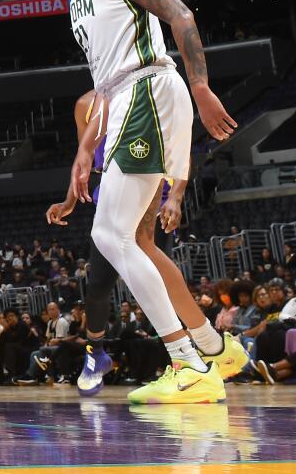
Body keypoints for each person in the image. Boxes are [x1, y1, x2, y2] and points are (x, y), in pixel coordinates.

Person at [57, 0, 245, 405]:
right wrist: (84, 150)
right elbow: (105, 81)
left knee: (112, 236)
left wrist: (202, 87)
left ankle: (188, 364)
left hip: (151, 89)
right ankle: (214, 348)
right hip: (125, 100)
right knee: (131, 241)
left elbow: (180, 15)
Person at [44, 86, 241, 397]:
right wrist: (70, 199)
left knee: (156, 278)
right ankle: (98, 353)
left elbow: (179, 148)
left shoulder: (148, 89)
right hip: (113, 196)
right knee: (97, 287)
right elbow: (85, 157)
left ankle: (196, 356)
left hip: (152, 191)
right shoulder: (85, 104)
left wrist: (175, 196)